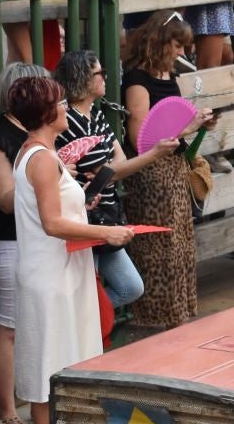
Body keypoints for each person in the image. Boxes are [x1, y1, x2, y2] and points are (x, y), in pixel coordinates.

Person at [8, 75, 134, 424]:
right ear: (47, 113)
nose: (65, 107)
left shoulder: (42, 153)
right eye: (59, 103)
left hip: (62, 269)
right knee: (50, 360)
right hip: (52, 273)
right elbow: (51, 223)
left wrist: (84, 199)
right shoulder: (42, 158)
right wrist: (105, 232)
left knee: (65, 355)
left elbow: (59, 212)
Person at [120, 13, 213, 331]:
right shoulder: (136, 80)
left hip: (172, 170)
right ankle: (157, 318)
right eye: (178, 45)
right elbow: (141, 139)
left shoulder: (167, 77)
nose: (182, 53)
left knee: (180, 246)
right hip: (150, 176)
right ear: (160, 42)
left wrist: (198, 128)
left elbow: (173, 130)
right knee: (160, 249)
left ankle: (178, 316)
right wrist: (190, 125)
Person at [57, 49, 163, 310]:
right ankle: (86, 329)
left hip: (107, 213)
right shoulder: (71, 121)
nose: (105, 77)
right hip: (86, 219)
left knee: (131, 287)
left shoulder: (96, 115)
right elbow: (112, 170)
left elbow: (117, 160)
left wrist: (110, 171)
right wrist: (155, 154)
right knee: (101, 289)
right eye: (100, 73)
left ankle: (92, 322)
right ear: (83, 79)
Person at [0, 62, 51, 424]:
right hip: (12, 241)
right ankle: (6, 414)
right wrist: (46, 178)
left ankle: (30, 402)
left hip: (36, 239)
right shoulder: (0, 139)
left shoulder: (34, 136)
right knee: (8, 327)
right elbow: (6, 201)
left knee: (27, 324)